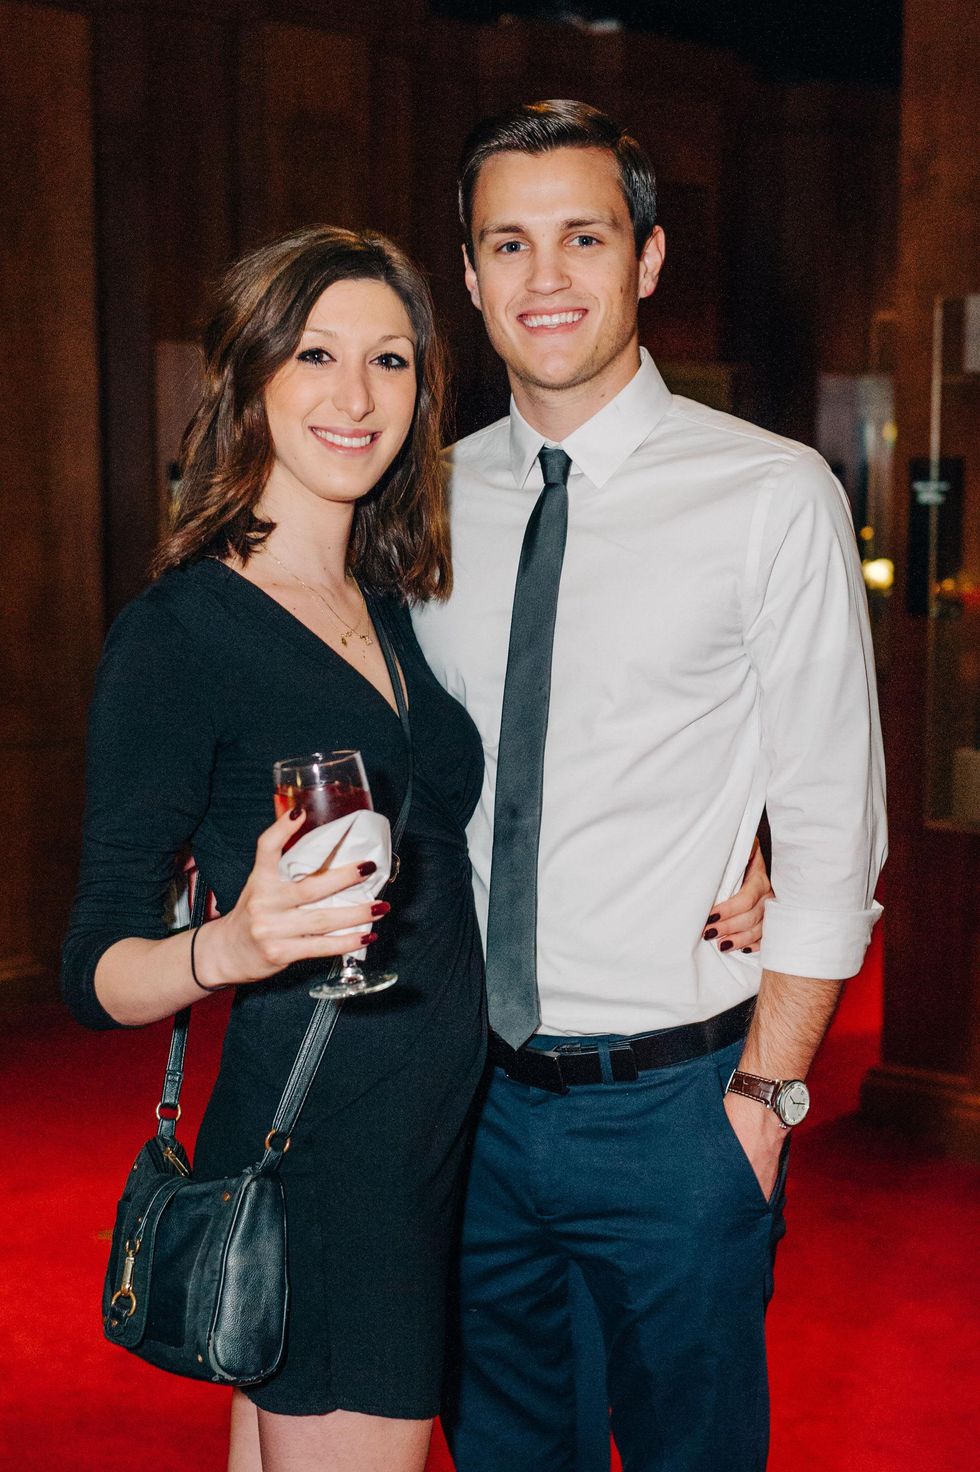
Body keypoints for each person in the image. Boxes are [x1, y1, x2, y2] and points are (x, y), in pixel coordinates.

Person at [412, 100, 887, 1472]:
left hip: (683, 1112)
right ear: (468, 273)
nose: (545, 277)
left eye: (583, 236)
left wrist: (767, 1105)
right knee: (503, 1453)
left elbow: (831, 823)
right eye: (509, 242)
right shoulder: (427, 504)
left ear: (650, 259)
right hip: (467, 1107)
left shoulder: (770, 493)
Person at [61, 226, 489, 1472]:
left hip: (422, 1139)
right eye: (316, 354)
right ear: (250, 377)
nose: (358, 397)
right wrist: (231, 942)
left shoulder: (388, 597)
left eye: (392, 360)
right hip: (328, 1154)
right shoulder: (180, 632)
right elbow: (95, 969)